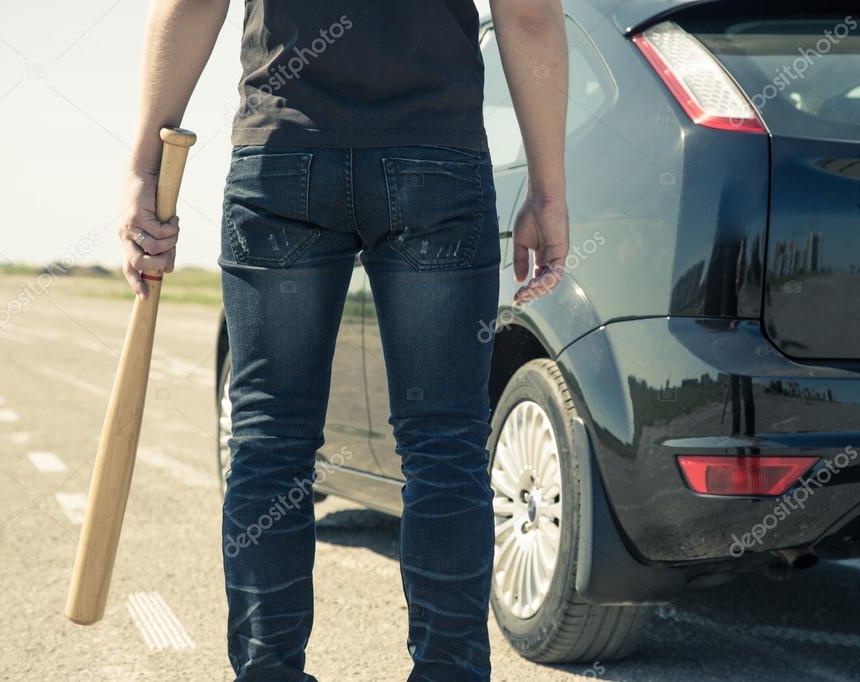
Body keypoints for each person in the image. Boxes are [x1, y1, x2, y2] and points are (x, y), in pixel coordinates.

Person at [117, 0, 569, 679]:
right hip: (435, 160)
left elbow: (191, 5)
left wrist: (142, 168)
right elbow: (529, 14)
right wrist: (548, 188)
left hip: (283, 154)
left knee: (270, 443)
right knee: (444, 444)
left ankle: (268, 669)